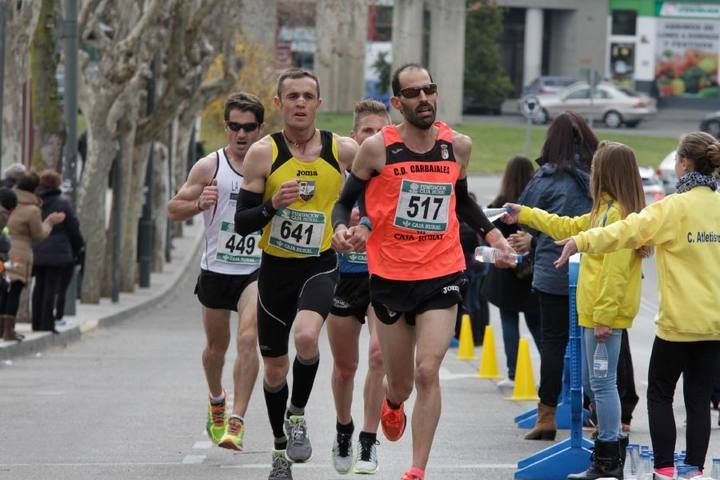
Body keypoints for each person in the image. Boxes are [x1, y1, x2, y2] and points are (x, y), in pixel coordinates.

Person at [331, 63, 514, 480]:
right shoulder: (378, 149)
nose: (424, 98)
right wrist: (342, 228)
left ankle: (417, 469)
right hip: (391, 277)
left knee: (427, 370)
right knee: (400, 384)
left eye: (429, 89)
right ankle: (393, 405)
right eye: (412, 94)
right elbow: (345, 202)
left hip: (442, 271)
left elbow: (462, 201)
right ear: (397, 103)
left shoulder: (457, 146)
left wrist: (493, 236)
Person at [554, 132, 720, 480]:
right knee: (699, 400)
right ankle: (693, 470)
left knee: (660, 395)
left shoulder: (673, 208)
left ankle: (663, 470)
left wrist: (582, 240)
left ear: (684, 164)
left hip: (677, 325)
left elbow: (624, 232)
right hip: (714, 325)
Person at [234, 68, 357, 480]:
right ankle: (280, 449)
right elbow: (243, 223)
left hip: (319, 265)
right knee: (273, 370)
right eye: (293, 97)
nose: (300, 103)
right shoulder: (263, 154)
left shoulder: (343, 151)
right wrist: (273, 205)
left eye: (308, 96)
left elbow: (377, 192)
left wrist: (359, 225)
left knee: (307, 336)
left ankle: (298, 413)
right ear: (279, 103)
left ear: (319, 103)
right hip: (275, 271)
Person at [505, 141, 650, 479]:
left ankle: (609, 457)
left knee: (602, 384)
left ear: (608, 172)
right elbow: (569, 226)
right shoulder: (603, 211)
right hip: (593, 314)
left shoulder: (617, 215)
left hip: (602, 316)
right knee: (594, 383)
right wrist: (525, 214)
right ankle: (607, 452)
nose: (592, 172)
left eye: (597, 166)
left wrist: (603, 317)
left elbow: (614, 274)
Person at [167, 92, 266, 451]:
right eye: (235, 127)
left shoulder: (269, 163)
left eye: (249, 128)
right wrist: (198, 203)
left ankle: (237, 421)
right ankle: (216, 399)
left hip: (255, 269)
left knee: (247, 339)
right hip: (215, 268)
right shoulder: (211, 166)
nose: (241, 134)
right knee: (215, 348)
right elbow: (172, 209)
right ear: (226, 127)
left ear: (260, 128)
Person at [518, 111, 597, 441]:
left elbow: (526, 221)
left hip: (553, 272)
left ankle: (547, 413)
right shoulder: (597, 176)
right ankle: (598, 413)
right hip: (593, 270)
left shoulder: (544, 178)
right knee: (596, 344)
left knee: (553, 343)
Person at [326, 99, 390, 475]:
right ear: (354, 136)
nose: (374, 138)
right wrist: (339, 226)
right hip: (342, 277)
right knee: (346, 367)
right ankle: (344, 428)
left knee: (380, 356)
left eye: (381, 131)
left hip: (381, 276)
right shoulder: (334, 175)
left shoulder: (392, 176)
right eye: (367, 131)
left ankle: (368, 440)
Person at [482, 156, 542, 388]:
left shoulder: (498, 205)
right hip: (532, 272)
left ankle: (513, 373)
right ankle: (551, 374)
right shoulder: (533, 205)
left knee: (509, 321)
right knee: (536, 324)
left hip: (504, 272)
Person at [1, 172, 64, 341]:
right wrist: (49, 222)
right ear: (35, 188)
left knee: (3, 290)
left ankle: (2, 329)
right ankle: (8, 330)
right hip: (19, 254)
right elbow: (39, 234)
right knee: (14, 291)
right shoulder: (32, 210)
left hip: (4, 252)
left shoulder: (6, 201)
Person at [31, 169, 84, 332]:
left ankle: (36, 322)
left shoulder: (35, 202)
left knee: (38, 286)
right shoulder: (63, 203)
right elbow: (74, 228)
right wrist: (77, 248)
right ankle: (47, 323)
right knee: (51, 288)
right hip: (58, 251)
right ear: (57, 184)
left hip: (38, 248)